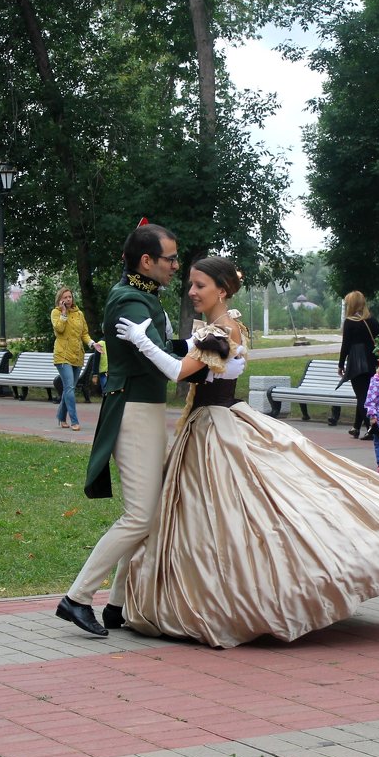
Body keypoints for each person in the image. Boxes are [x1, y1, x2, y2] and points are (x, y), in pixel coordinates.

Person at [114, 256, 379, 648]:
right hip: (215, 421)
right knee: (213, 513)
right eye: (190, 284)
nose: (191, 292)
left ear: (221, 290)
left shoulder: (221, 332)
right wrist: (151, 339)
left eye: (199, 286)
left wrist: (142, 341)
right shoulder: (227, 326)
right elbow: (186, 348)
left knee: (234, 509)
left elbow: (179, 370)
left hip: (216, 425)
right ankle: (198, 589)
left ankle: (243, 596)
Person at [61, 222, 239, 637]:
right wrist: (197, 353)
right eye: (170, 259)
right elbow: (164, 362)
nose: (176, 266)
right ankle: (77, 598)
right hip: (134, 410)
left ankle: (117, 605)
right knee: (141, 516)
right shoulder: (131, 301)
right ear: (146, 261)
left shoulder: (144, 298)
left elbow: (170, 350)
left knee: (152, 514)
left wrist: (205, 346)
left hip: (147, 408)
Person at [51, 287, 101, 431]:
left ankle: (60, 417)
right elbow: (59, 329)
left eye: (70, 297)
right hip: (63, 355)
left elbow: (84, 334)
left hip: (77, 355)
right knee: (69, 388)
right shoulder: (56, 313)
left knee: (69, 389)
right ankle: (74, 421)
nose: (68, 299)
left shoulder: (79, 314)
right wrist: (64, 313)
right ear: (60, 299)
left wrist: (93, 344)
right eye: (65, 297)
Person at [338, 290, 379, 440]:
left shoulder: (350, 322)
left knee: (362, 396)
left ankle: (372, 427)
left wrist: (341, 364)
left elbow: (346, 345)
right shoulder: (373, 321)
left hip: (356, 362)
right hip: (372, 362)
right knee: (365, 395)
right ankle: (356, 427)